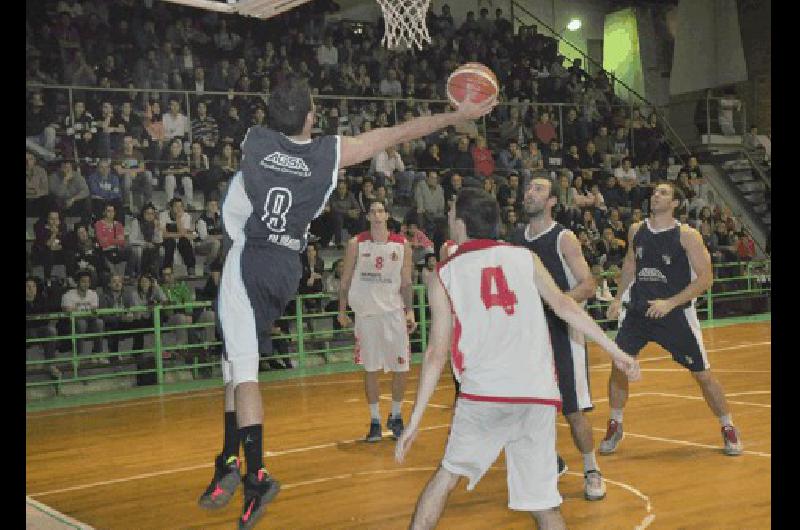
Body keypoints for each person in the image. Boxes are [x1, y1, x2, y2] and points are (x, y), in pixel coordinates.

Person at [197, 78, 496, 530]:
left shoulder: (254, 142)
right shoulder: (327, 155)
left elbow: (258, 164)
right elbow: (398, 133)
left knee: (244, 372)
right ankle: (227, 459)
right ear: (311, 118)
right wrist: (457, 117)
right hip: (286, 268)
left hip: (249, 257)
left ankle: (255, 473)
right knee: (233, 367)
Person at [395, 189, 640, 529]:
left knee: (446, 477)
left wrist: (416, 419)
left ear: (462, 223)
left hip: (484, 395)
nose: (448, 219)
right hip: (536, 396)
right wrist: (615, 351)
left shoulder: (445, 273)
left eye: (452, 213)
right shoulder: (524, 258)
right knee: (544, 505)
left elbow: (436, 353)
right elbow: (565, 306)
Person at [599, 182, 744, 457]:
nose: (656, 195)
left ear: (675, 203)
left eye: (664, 193)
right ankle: (615, 422)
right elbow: (630, 263)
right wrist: (618, 299)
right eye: (655, 192)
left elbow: (706, 278)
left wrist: (670, 303)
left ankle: (728, 426)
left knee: (702, 374)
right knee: (619, 366)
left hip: (675, 314)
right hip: (639, 310)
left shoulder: (687, 235)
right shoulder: (636, 230)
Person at [511, 177, 606, 500]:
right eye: (528, 188)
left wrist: (557, 302)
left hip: (563, 333)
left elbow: (588, 284)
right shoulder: (515, 239)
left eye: (538, 189)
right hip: (529, 335)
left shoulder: (563, 238)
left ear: (552, 201)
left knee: (573, 409)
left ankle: (592, 469)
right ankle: (551, 460)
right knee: (529, 406)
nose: (530, 193)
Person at [337, 199, 416, 442]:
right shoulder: (356, 244)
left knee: (401, 367)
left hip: (393, 312)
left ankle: (395, 416)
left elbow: (406, 282)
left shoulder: (402, 244)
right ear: (369, 217)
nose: (377, 215)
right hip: (366, 314)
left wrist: (410, 310)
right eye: (373, 211)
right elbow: (345, 280)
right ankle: (374, 421)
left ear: (387, 215)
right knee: (370, 368)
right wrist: (342, 310)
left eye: (381, 211)